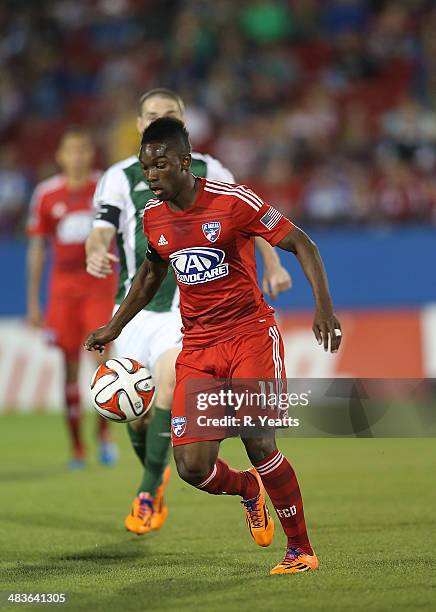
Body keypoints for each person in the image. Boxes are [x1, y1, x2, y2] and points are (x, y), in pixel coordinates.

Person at [84, 118, 342, 575]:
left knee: (259, 441)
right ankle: (247, 489)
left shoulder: (232, 201)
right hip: (198, 346)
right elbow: (150, 275)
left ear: (185, 161)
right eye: (146, 168)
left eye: (160, 165)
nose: (152, 175)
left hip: (248, 335)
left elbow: (302, 243)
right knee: (192, 468)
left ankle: (300, 549)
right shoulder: (154, 216)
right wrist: (114, 326)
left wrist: (324, 307)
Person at [85, 88, 292, 535]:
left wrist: (273, 262)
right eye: (152, 115)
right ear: (140, 125)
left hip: (188, 309)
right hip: (135, 305)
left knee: (167, 379)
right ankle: (188, 477)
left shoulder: (210, 170)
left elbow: (248, 217)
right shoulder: (117, 177)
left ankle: (146, 494)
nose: (160, 118)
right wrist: (94, 252)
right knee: (136, 416)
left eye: (170, 114)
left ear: (183, 128)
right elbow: (101, 230)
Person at [27, 127, 117, 470]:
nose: (77, 156)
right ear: (60, 156)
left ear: (90, 153)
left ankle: (105, 435)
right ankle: (78, 446)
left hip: (99, 284)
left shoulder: (105, 187)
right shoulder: (47, 194)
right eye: (71, 151)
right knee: (68, 366)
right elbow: (37, 247)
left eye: (83, 150)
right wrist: (34, 303)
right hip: (63, 290)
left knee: (103, 363)